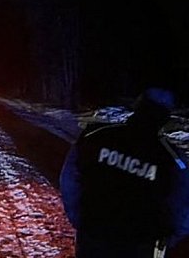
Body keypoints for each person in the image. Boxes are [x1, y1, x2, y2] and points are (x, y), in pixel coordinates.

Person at [60, 87, 189, 257]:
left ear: (138, 105)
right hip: (139, 245)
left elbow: (68, 180)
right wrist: (168, 237)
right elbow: (182, 207)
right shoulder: (171, 158)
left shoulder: (96, 136)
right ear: (165, 117)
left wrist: (80, 218)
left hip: (93, 235)